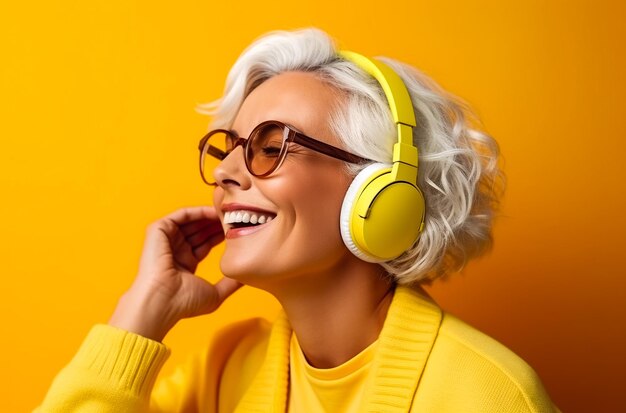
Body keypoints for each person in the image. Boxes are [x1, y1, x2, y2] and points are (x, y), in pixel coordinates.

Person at [36, 28, 558, 412]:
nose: (225, 172)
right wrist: (142, 311)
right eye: (230, 147)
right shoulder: (224, 370)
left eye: (271, 145)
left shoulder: (487, 395)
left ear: (378, 191)